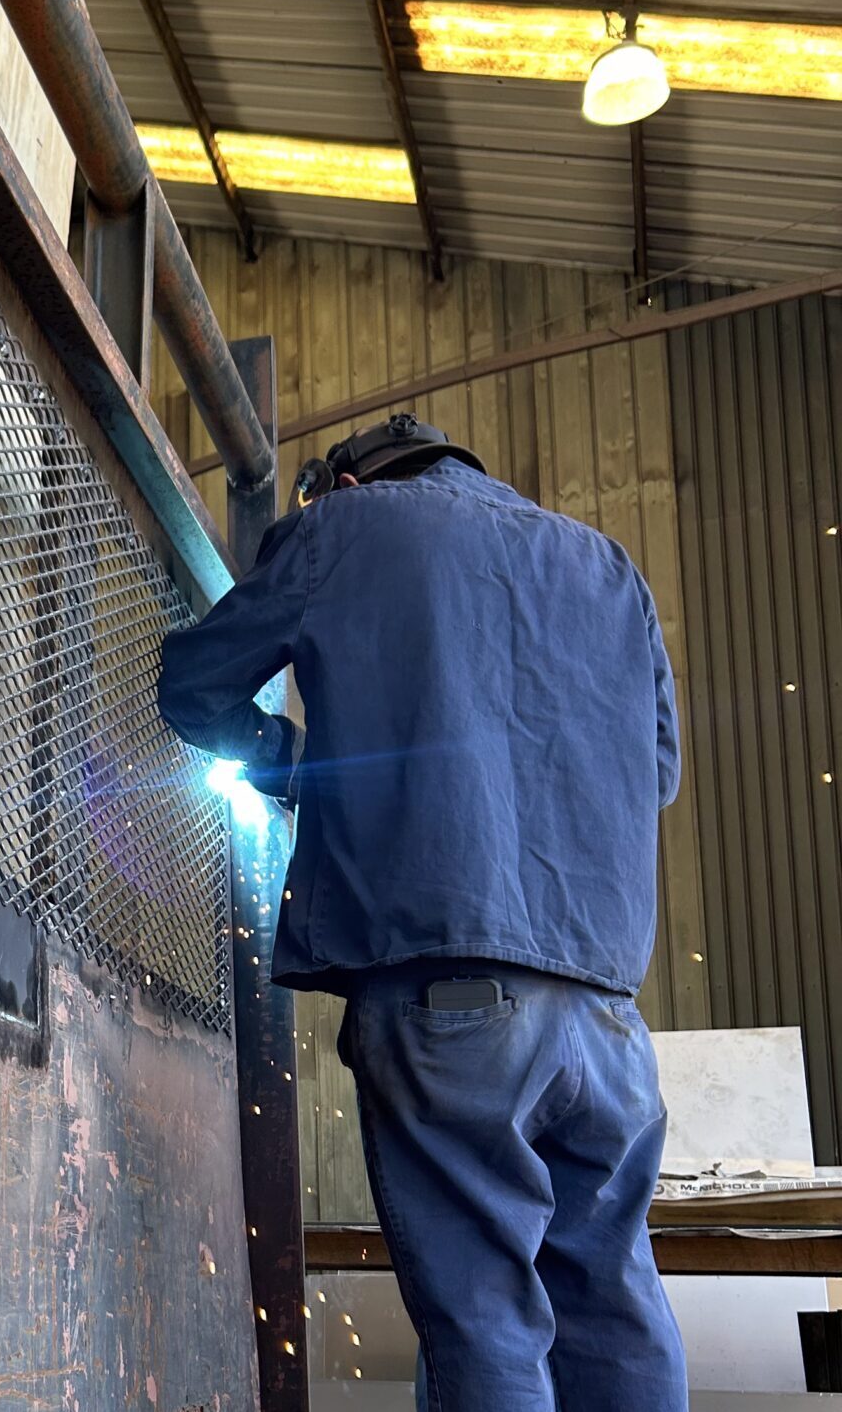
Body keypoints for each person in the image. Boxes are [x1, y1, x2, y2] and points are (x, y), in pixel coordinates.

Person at [159, 413, 687, 1412]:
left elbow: (195, 684)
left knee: (487, 1315)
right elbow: (654, 777)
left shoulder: (346, 531)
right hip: (611, 1021)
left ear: (346, 484)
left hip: (453, 1000)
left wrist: (285, 761)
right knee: (614, 1300)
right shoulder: (608, 568)